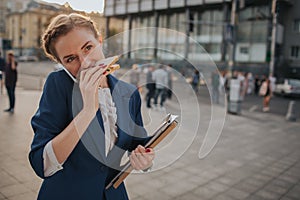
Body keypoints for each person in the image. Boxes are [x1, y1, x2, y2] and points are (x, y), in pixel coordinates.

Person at [28, 13, 154, 200]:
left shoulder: (128, 92)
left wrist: (146, 160)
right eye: (70, 59)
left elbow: (137, 142)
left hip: (112, 194)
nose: (85, 63)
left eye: (88, 47)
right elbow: (42, 164)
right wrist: (87, 110)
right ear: (61, 64)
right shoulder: (58, 84)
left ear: (100, 41)